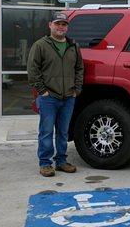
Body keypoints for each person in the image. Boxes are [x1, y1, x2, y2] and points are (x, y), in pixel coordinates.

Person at [27, 12, 84, 177]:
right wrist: (42, 90)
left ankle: (61, 161)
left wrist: (77, 89)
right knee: (46, 131)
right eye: (58, 23)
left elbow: (79, 68)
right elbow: (32, 70)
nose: (61, 27)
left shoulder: (73, 46)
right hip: (48, 97)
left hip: (68, 97)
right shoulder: (41, 45)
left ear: (67, 27)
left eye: (64, 24)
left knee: (63, 132)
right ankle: (45, 163)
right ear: (50, 25)